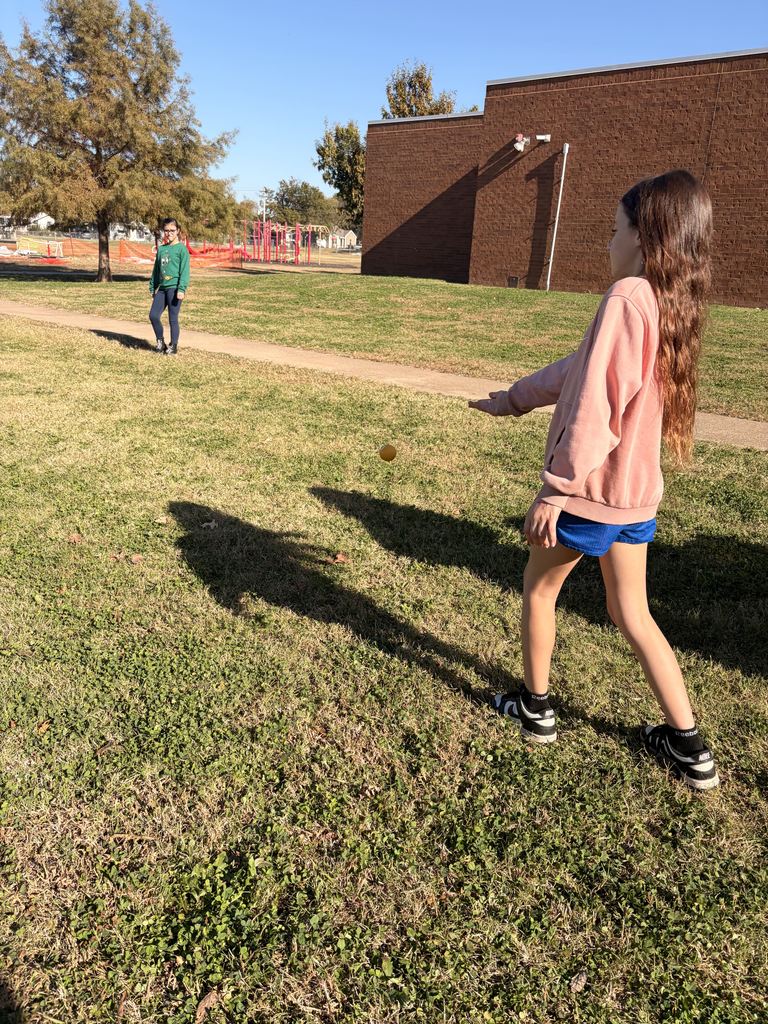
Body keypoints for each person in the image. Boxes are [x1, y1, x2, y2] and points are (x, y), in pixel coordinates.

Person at [469, 169, 719, 791]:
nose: (607, 242)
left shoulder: (628, 296)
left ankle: (536, 708)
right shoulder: (667, 301)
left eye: (614, 229)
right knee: (632, 613)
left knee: (538, 592)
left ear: (644, 235)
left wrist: (556, 488)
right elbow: (581, 371)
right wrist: (515, 399)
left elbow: (594, 408)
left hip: (589, 496)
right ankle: (690, 747)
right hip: (634, 500)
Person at [149, 218, 190, 355]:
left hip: (174, 289)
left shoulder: (182, 250)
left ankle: (173, 345)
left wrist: (181, 288)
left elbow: (184, 271)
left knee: (173, 318)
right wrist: (152, 287)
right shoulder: (162, 250)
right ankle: (160, 342)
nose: (169, 233)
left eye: (172, 230)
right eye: (166, 231)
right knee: (153, 315)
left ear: (178, 231)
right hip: (162, 288)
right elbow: (156, 270)